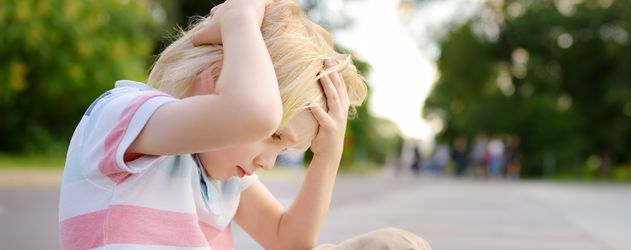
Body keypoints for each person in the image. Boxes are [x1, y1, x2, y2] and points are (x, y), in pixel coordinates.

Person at [57, 1, 430, 249]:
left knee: (393, 246)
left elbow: (290, 242)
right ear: (219, 78)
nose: (268, 161)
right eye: (273, 136)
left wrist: (327, 155)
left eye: (282, 148)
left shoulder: (221, 178)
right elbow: (252, 111)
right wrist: (239, 16)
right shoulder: (123, 117)